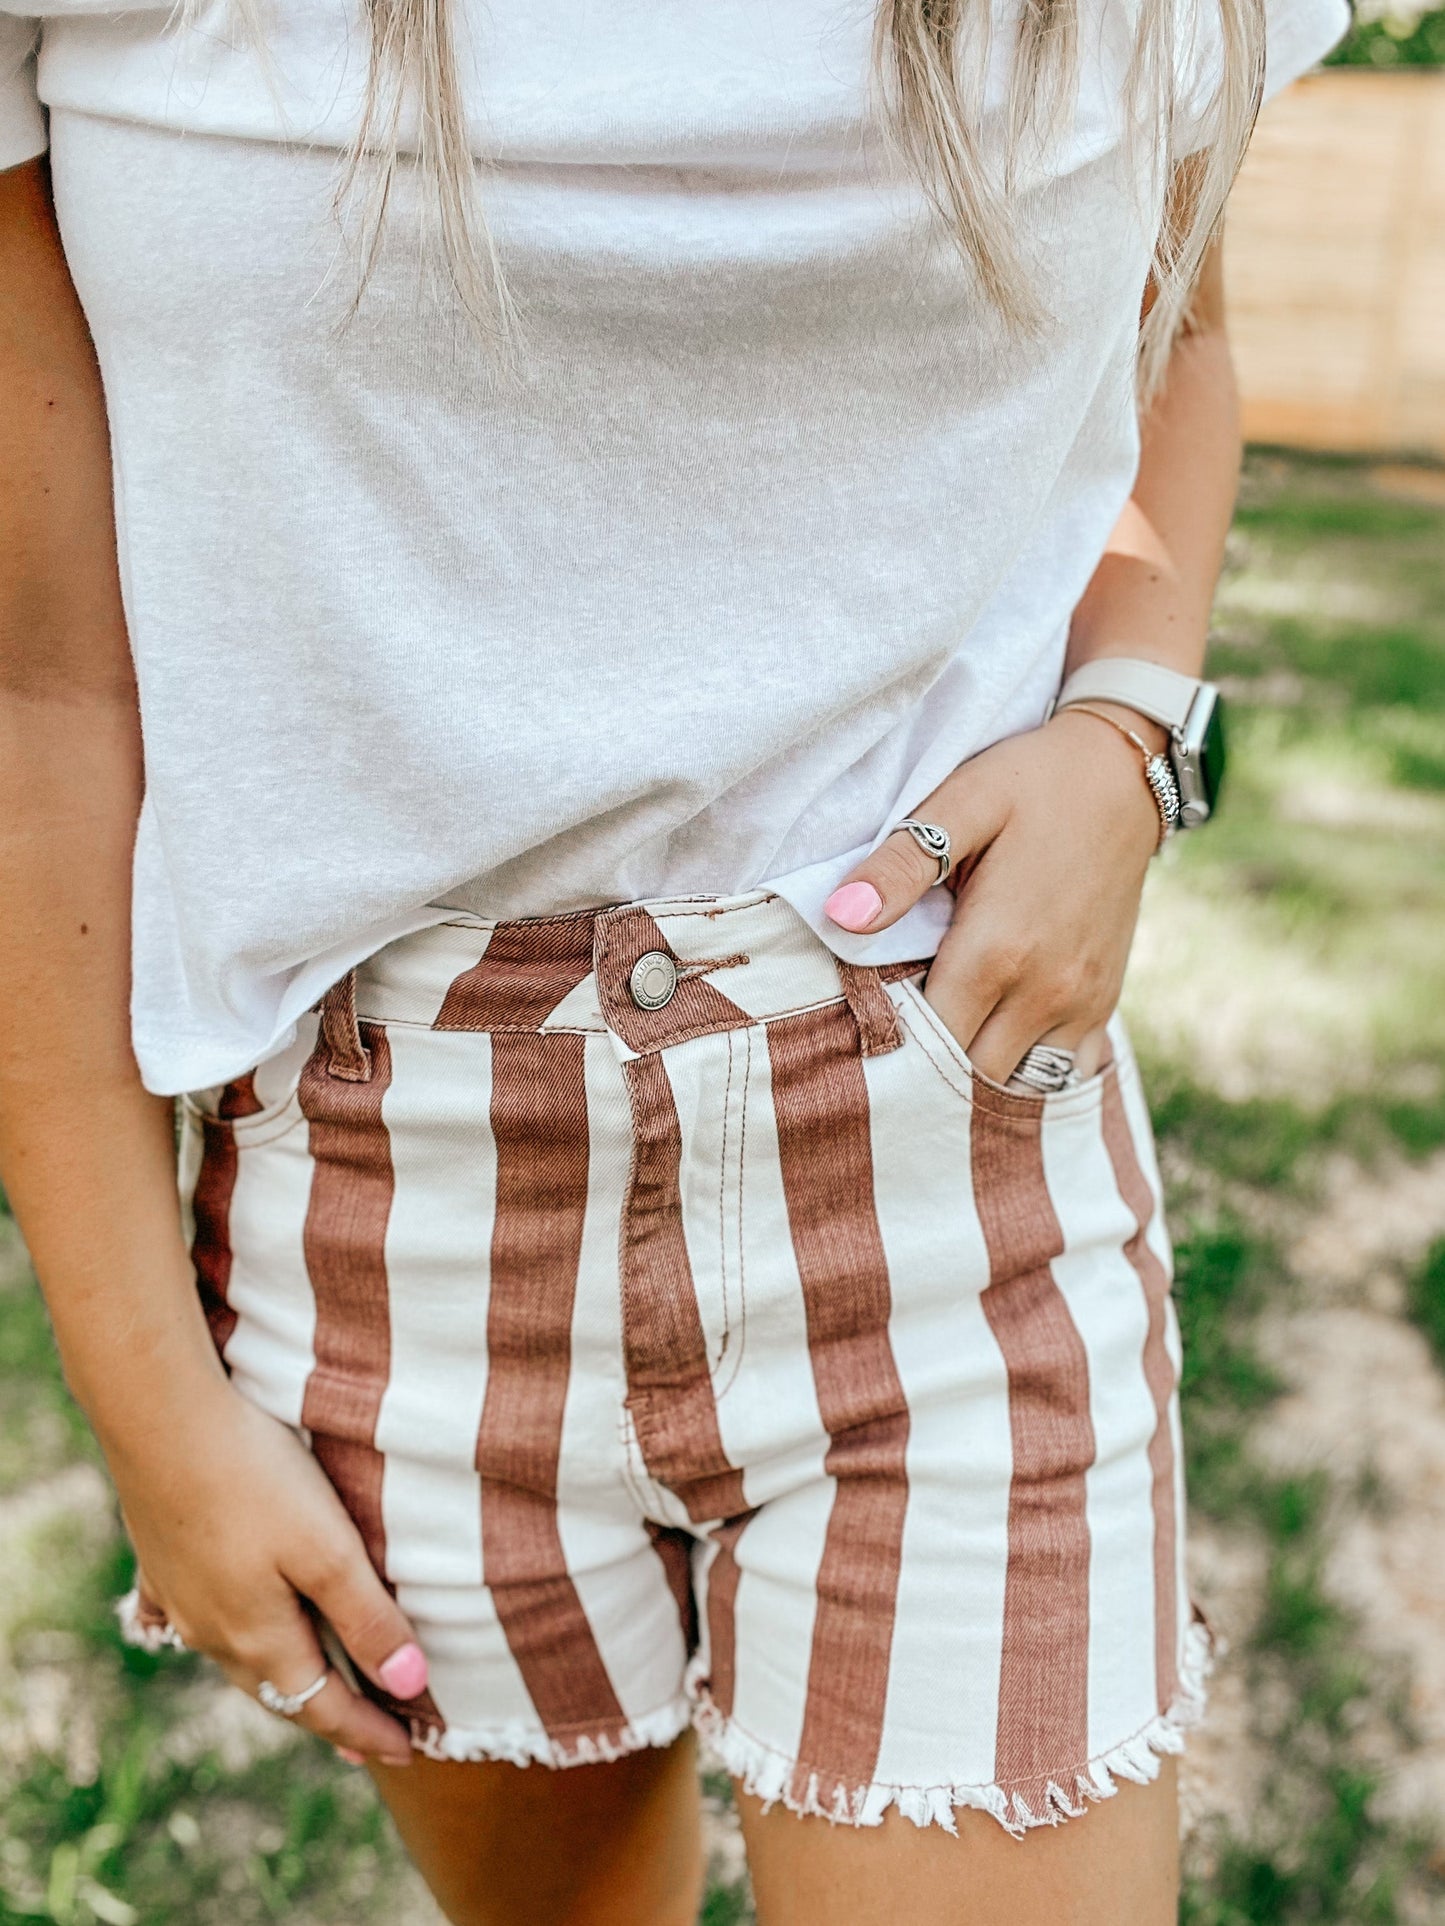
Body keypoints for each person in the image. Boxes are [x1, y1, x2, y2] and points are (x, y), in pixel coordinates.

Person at [0, 1, 1347, 1919]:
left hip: (935, 1143)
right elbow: (44, 684)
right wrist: (148, 1414)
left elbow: (1176, 344)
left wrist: (1132, 730)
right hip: (389, 1214)